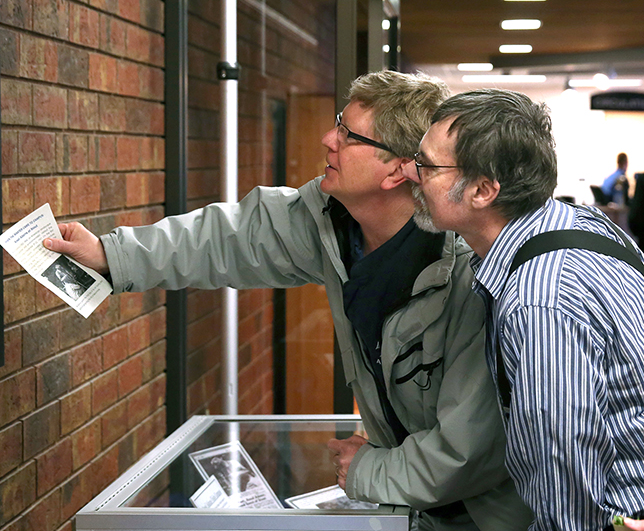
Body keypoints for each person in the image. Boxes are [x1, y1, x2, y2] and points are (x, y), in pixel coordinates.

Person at [44, 71, 531, 531]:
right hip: (409, 502)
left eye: (350, 135)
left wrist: (369, 469)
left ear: (398, 171)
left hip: (485, 516)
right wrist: (111, 254)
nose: (328, 139)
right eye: (339, 124)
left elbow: (471, 448)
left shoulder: (472, 270)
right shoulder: (326, 219)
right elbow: (226, 239)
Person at [403, 88, 644, 531]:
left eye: (426, 165)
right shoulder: (582, 226)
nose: (408, 173)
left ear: (482, 190)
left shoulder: (539, 302)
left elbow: (566, 491)